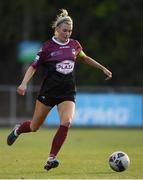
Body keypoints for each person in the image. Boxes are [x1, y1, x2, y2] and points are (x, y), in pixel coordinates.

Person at [7, 9, 112, 171]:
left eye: (70, 31)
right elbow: (33, 67)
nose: (67, 34)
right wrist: (23, 83)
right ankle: (18, 129)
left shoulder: (74, 45)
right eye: (65, 30)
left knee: (67, 122)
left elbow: (84, 58)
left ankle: (51, 158)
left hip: (67, 92)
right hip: (48, 92)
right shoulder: (47, 48)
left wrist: (102, 68)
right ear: (57, 29)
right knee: (34, 127)